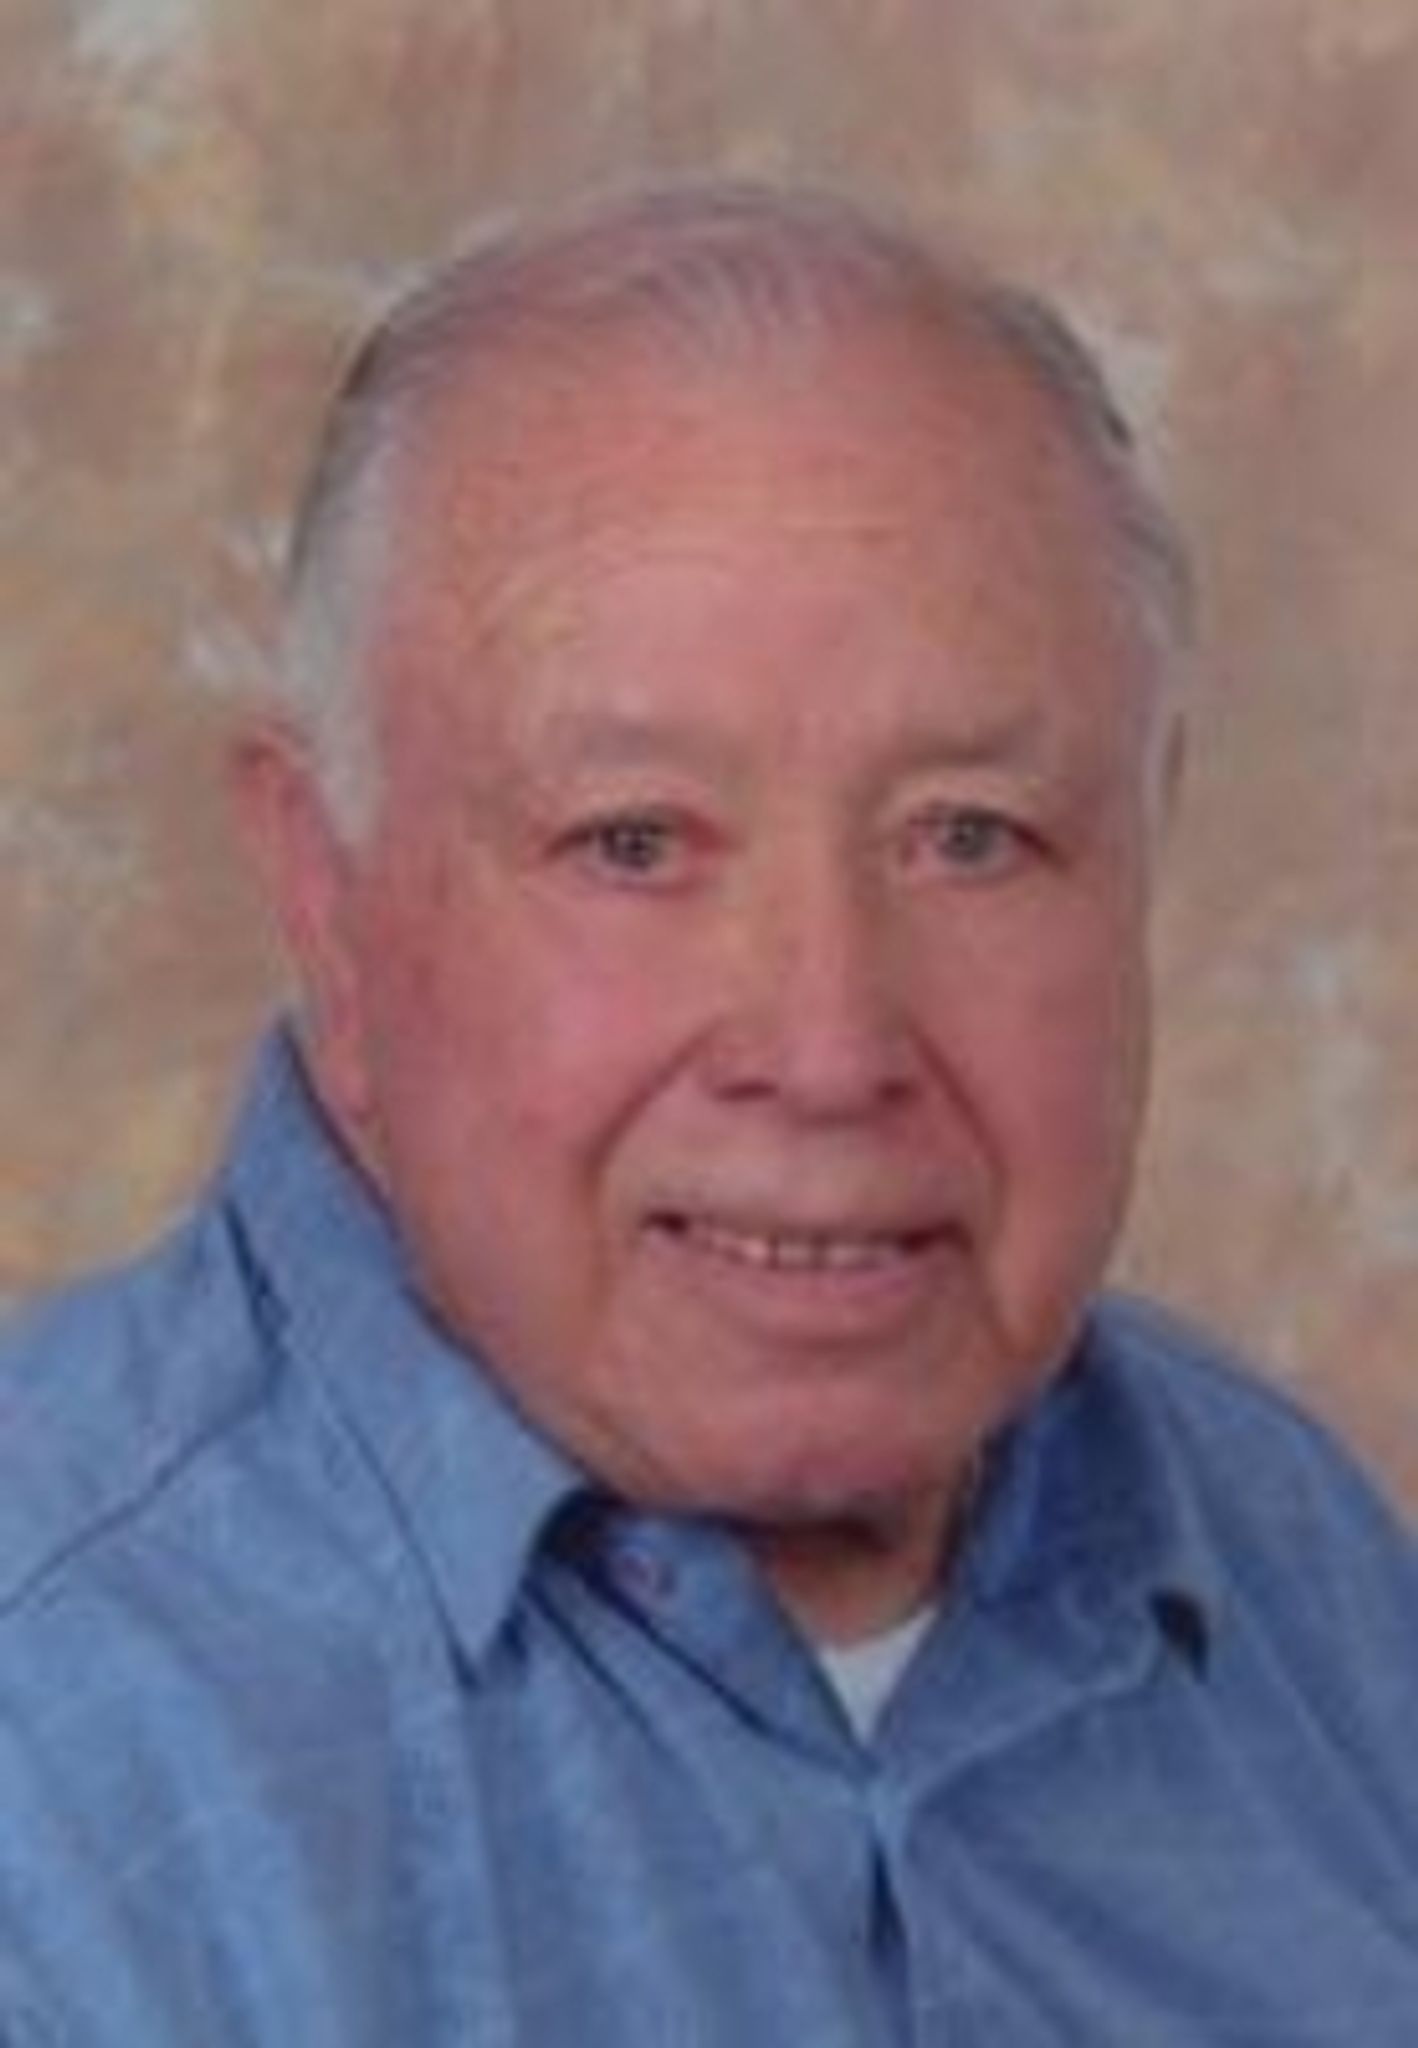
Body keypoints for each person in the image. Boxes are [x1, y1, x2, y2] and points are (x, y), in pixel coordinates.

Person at [2, 180, 1415, 2046]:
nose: (827, 1049)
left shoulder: (1299, 1563)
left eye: (968, 837)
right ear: (327, 900)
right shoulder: (50, 1754)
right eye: (634, 844)